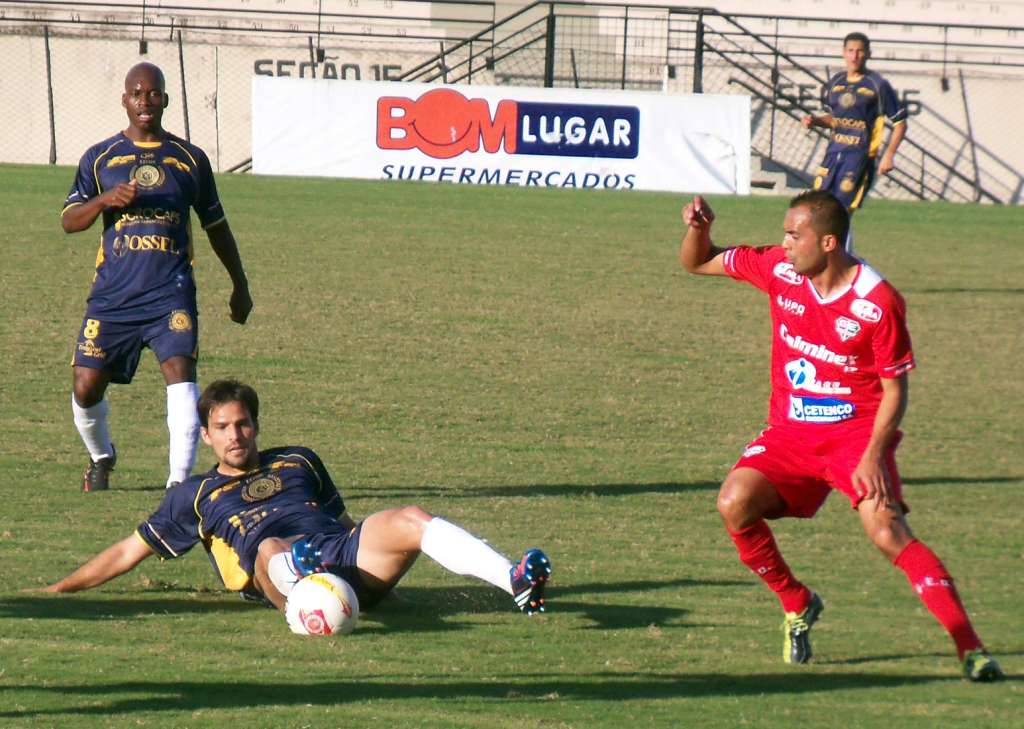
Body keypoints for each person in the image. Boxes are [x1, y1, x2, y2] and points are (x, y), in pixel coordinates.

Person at [677, 190, 1002, 682]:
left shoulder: (879, 302)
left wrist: (873, 454)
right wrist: (699, 229)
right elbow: (698, 263)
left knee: (888, 533)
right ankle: (796, 601)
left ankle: (970, 648)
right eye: (784, 233)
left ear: (828, 241)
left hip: (855, 437)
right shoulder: (779, 271)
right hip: (790, 432)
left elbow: (896, 390)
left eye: (794, 234)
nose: (784, 243)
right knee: (733, 502)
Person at [38, 379, 552, 622]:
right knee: (269, 547)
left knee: (411, 517)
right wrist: (61, 588)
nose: (235, 435)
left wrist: (386, 578)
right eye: (223, 427)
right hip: (279, 583)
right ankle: (301, 573)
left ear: (256, 426)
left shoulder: (299, 460)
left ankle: (515, 581)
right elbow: (129, 552)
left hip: (342, 556)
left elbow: (346, 521)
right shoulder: (194, 495)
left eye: (243, 424)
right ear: (207, 435)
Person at [61, 62, 252, 492]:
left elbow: (216, 226)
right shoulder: (101, 157)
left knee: (181, 375)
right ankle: (101, 455)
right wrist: (106, 199)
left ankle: (177, 486)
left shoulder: (189, 159)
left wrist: (240, 284)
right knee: (85, 386)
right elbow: (70, 220)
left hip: (171, 293)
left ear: (164, 99)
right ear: (125, 100)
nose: (145, 102)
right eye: (136, 93)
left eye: (153, 94)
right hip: (114, 296)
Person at [801, 32, 907, 248]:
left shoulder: (877, 85)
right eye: (851, 50)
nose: (855, 55)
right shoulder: (836, 82)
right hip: (832, 156)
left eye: (859, 51)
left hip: (859, 158)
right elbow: (836, 120)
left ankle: (844, 265)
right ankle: (828, 264)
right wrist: (816, 121)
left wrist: (889, 155)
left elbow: (900, 123)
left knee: (840, 213)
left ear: (868, 53)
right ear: (843, 53)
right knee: (819, 210)